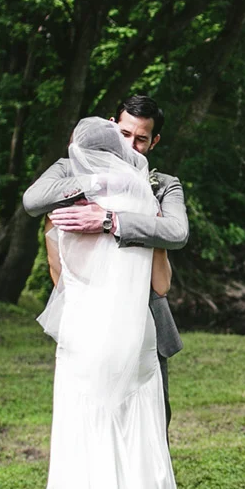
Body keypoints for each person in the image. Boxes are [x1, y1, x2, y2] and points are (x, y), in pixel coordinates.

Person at [23, 116, 211, 489]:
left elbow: (62, 279)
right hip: (134, 349)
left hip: (83, 351)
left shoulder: (64, 216)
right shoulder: (143, 205)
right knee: (140, 456)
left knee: (81, 460)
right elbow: (162, 283)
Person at [23, 94, 186, 433]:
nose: (131, 146)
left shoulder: (163, 184)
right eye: (125, 135)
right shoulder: (71, 167)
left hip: (146, 320)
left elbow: (176, 232)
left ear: (154, 141)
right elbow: (32, 200)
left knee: (151, 426)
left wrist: (111, 219)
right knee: (90, 425)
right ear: (112, 128)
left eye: (141, 139)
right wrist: (103, 181)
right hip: (90, 320)